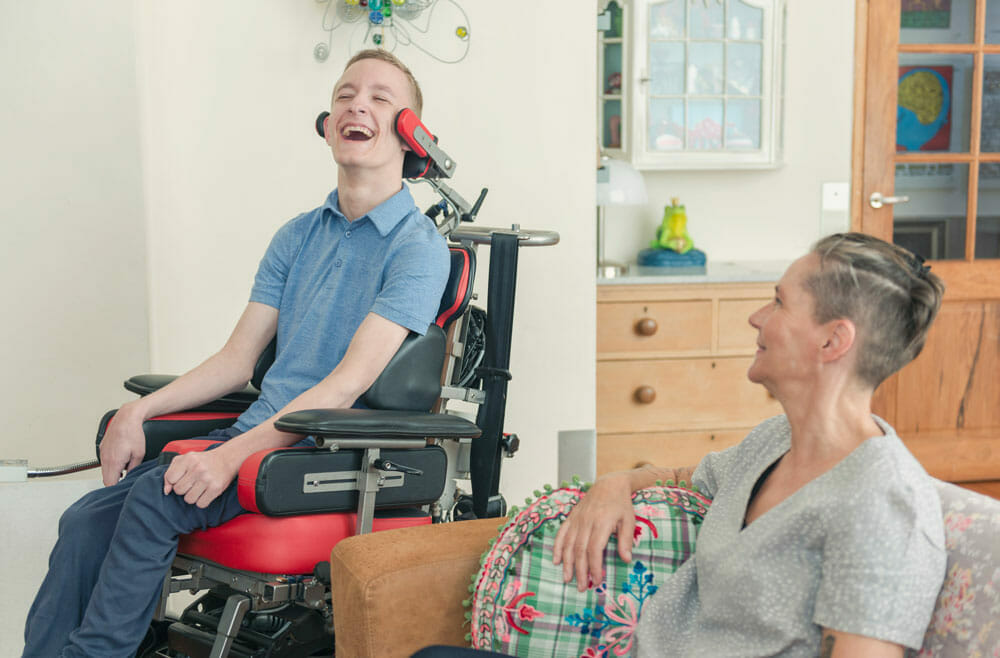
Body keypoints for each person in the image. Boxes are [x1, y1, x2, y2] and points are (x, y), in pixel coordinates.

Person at [23, 48, 450, 658]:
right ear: (327, 123)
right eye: (345, 94)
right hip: (255, 436)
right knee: (86, 519)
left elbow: (345, 386)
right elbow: (236, 360)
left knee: (152, 499)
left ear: (411, 133)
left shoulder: (417, 248)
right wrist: (135, 415)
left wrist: (230, 457)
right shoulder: (297, 235)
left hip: (321, 447)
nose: (358, 102)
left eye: (381, 97)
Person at [552, 232, 947, 657]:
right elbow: (678, 478)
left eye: (778, 302)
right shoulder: (775, 441)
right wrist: (613, 484)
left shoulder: (884, 507)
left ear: (832, 341)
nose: (756, 317)